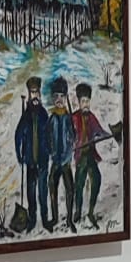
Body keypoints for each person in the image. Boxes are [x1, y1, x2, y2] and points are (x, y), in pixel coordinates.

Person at [71, 81, 112, 230]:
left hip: (90, 155)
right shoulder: (73, 118)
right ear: (79, 102)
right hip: (80, 156)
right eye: (83, 101)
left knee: (97, 180)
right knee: (79, 184)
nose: (86, 104)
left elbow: (99, 131)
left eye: (87, 101)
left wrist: (108, 134)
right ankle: (77, 211)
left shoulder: (92, 117)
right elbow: (69, 136)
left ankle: (90, 212)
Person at [14, 76, 51, 232]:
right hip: (30, 161)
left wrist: (50, 150)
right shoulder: (26, 115)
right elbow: (18, 135)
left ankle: (45, 219)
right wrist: (19, 154)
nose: (34, 96)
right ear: (29, 95)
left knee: (43, 192)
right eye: (32, 93)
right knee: (31, 193)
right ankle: (32, 220)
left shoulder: (44, 114)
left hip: (42, 161)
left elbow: (49, 134)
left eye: (36, 93)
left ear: (40, 94)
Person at [47, 75, 75, 232]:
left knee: (70, 189)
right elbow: (47, 137)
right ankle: (55, 218)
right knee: (52, 185)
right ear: (52, 98)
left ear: (66, 98)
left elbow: (73, 136)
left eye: (62, 96)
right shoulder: (51, 119)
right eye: (56, 96)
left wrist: (70, 148)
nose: (59, 99)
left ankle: (69, 219)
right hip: (55, 161)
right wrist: (50, 150)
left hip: (66, 161)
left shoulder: (68, 118)